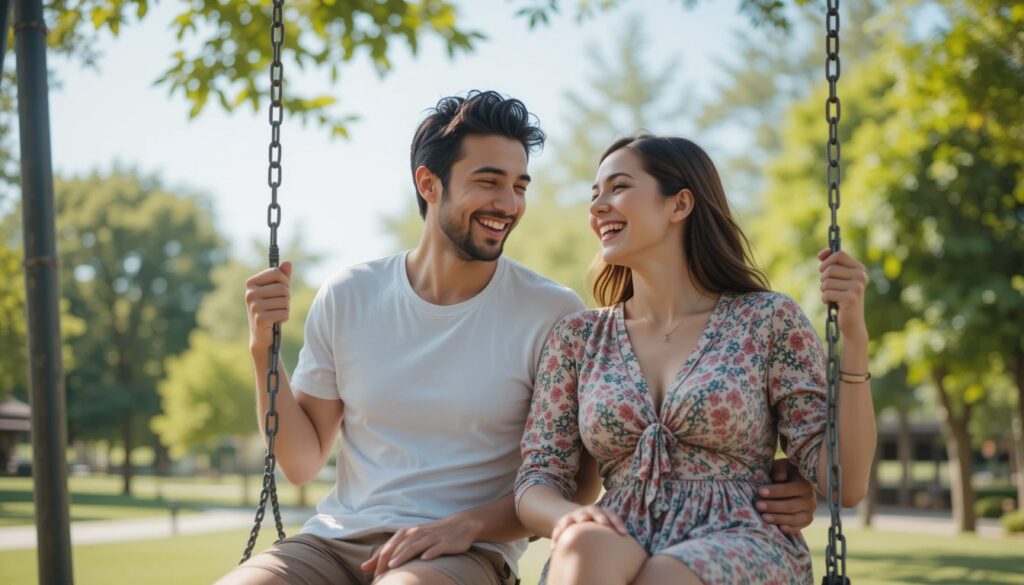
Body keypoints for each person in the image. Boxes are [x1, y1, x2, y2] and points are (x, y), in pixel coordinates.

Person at [218, 95, 819, 585]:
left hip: (463, 553)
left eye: (520, 186)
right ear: (429, 185)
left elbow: (575, 479)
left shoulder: (549, 311)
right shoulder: (349, 294)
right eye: (489, 182)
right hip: (335, 540)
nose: (509, 204)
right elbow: (299, 462)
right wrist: (264, 350)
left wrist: (789, 478)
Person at [514, 134, 877, 585]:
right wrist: (569, 519)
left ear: (679, 204)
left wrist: (854, 340)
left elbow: (845, 483)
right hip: (616, 528)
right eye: (595, 194)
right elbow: (538, 476)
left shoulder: (766, 319)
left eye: (618, 187)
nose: (598, 207)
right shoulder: (579, 338)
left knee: (667, 576)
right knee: (584, 546)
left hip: (739, 535)